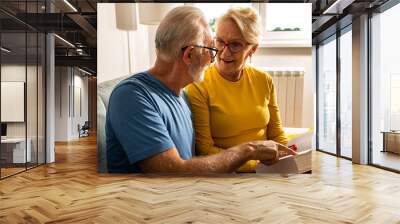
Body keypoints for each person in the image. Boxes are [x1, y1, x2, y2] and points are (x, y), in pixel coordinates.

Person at [106, 6, 295, 174]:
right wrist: (249, 150)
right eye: (212, 48)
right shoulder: (131, 96)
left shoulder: (180, 95)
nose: (216, 57)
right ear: (189, 54)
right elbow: (171, 172)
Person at [186, 6, 289, 173]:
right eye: (219, 41)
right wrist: (254, 165)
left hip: (268, 168)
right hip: (231, 172)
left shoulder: (264, 80)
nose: (224, 52)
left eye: (235, 45)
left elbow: (277, 134)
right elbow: (205, 150)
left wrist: (286, 156)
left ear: (253, 48)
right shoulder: (199, 86)